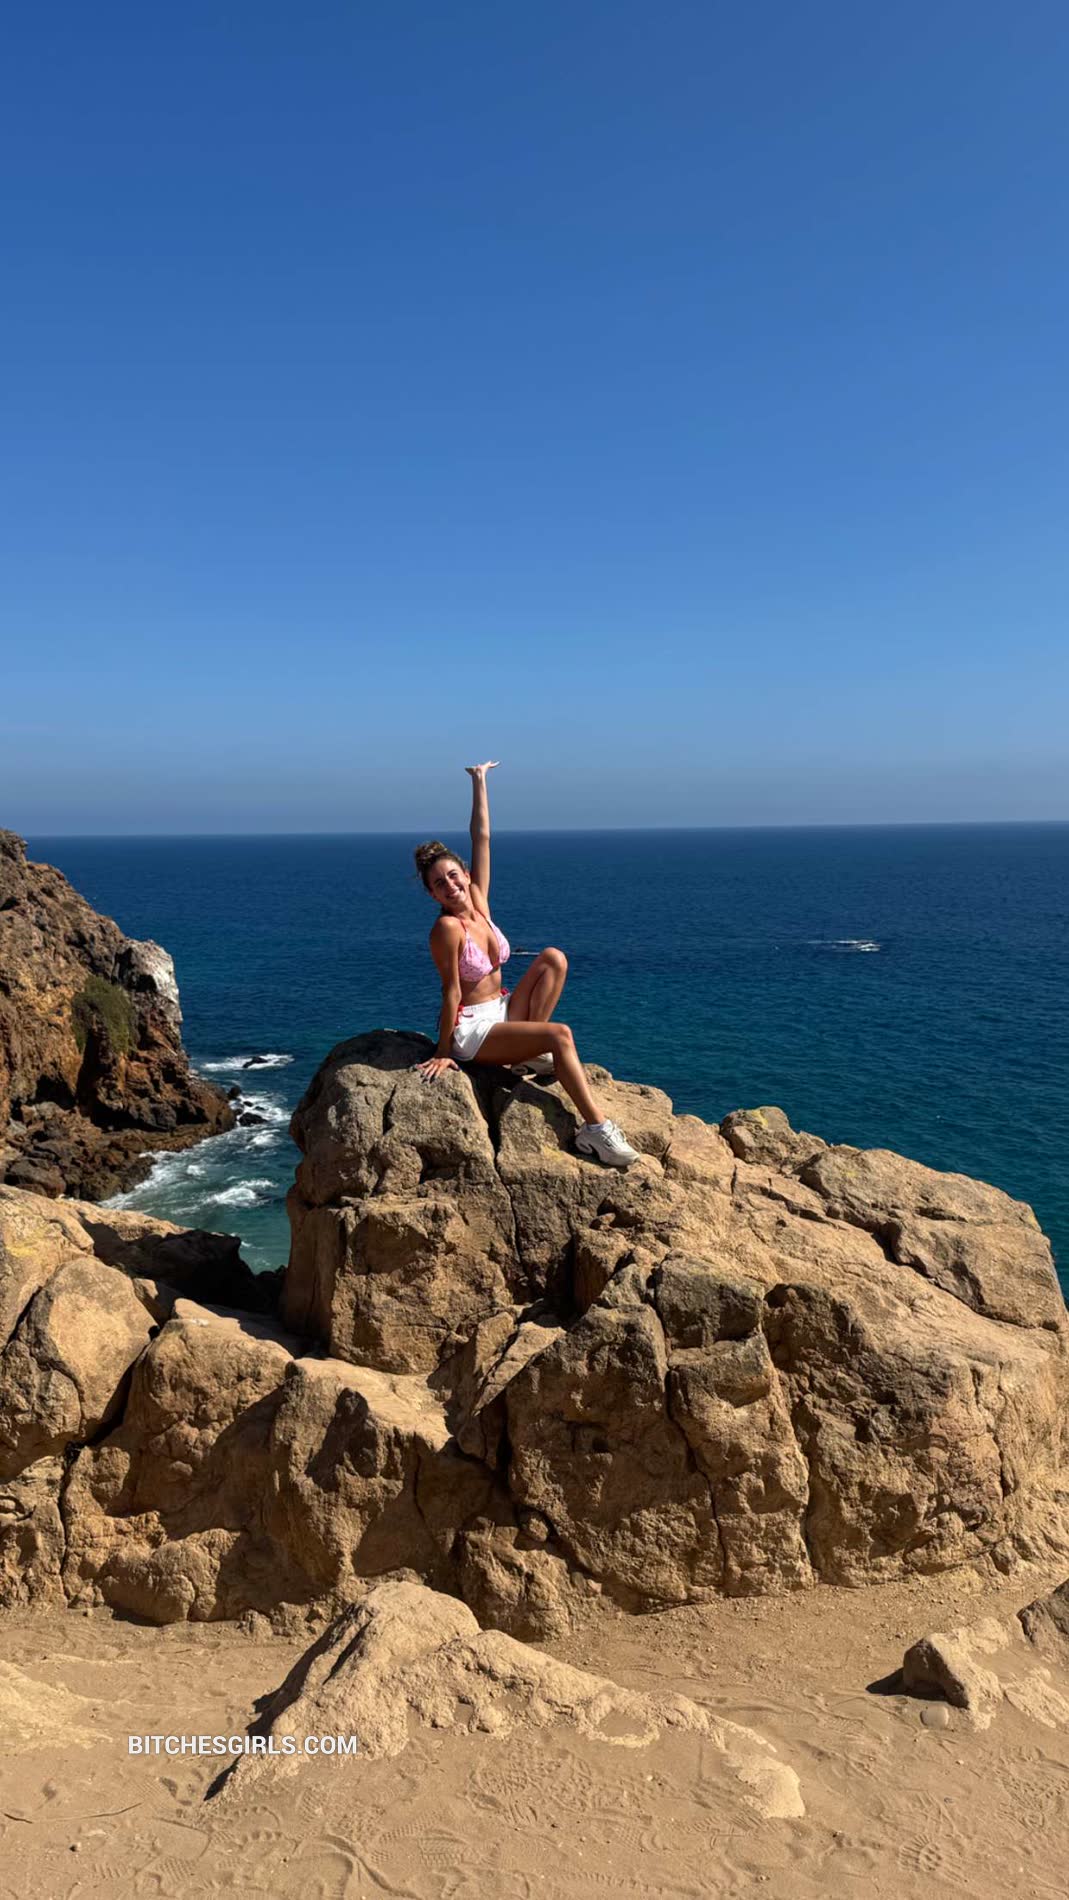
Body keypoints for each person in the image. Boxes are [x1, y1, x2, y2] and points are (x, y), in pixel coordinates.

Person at [412, 763, 639, 1168]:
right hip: (473, 1030)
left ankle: (527, 1054)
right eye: (439, 884)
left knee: (554, 958)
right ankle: (596, 1129)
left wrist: (479, 781)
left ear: (466, 874)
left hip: (501, 1011)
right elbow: (451, 991)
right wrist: (444, 1051)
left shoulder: (479, 902)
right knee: (560, 1035)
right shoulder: (447, 929)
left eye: (453, 875)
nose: (450, 886)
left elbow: (481, 837)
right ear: (432, 895)